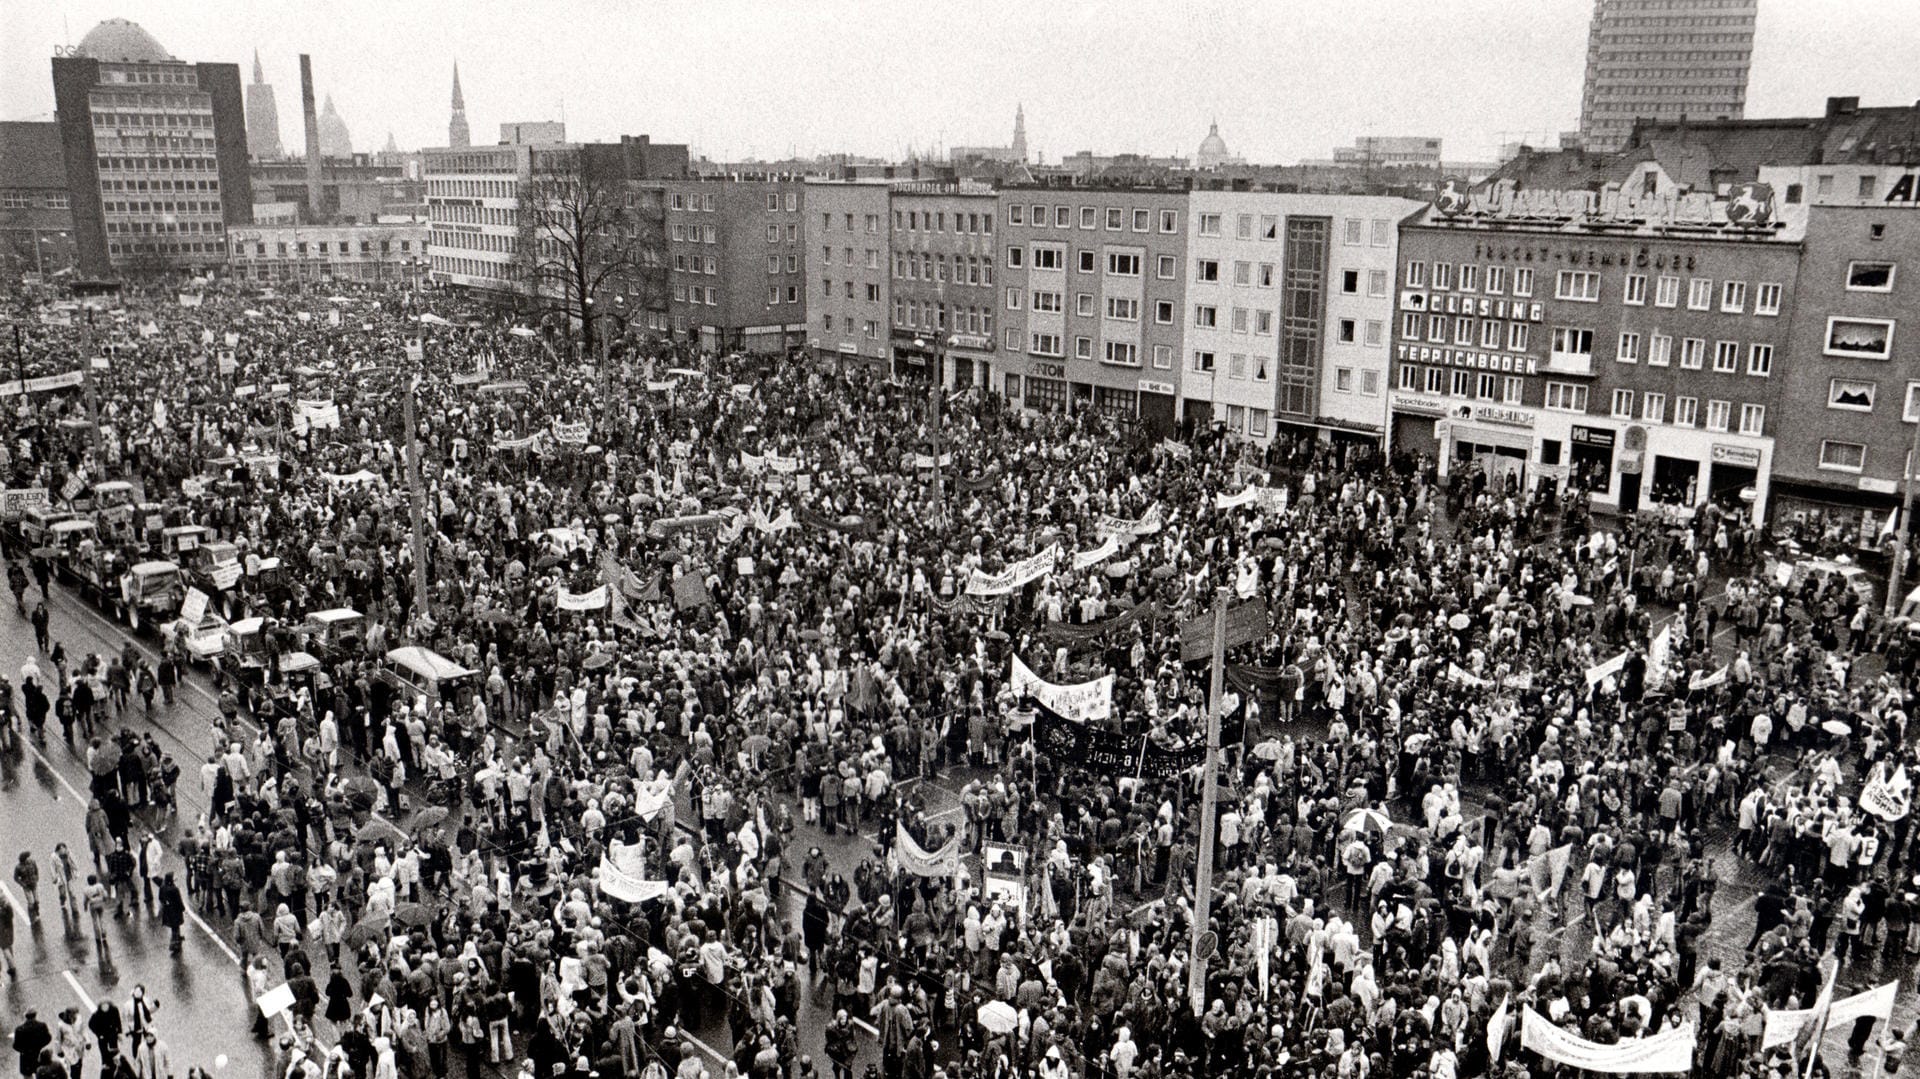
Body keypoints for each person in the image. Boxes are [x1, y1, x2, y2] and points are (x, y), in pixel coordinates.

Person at [10, 1011, 49, 1079]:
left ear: (26, 1017)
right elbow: (48, 1038)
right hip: (39, 1055)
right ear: (35, 1015)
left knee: (27, 1076)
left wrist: (24, 1050)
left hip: (26, 1058)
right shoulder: (42, 1026)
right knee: (41, 1074)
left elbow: (15, 1046)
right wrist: (40, 1045)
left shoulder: (19, 1029)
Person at [14, 852, 40, 922]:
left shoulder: (32, 862)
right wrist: (22, 884)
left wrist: (37, 878)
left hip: (34, 884)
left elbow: (36, 870)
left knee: (36, 900)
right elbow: (15, 878)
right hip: (26, 886)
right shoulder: (18, 867)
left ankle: (37, 912)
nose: (28, 859)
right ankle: (32, 916)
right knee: (31, 902)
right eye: (26, 858)